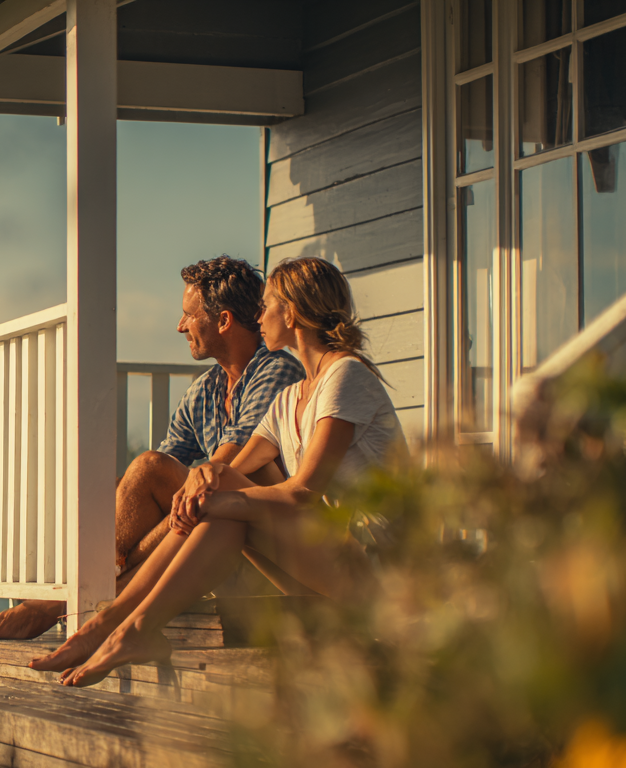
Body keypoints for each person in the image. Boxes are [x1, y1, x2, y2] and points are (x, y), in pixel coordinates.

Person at [29, 256, 406, 686]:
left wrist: (212, 498)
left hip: (377, 569)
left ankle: (116, 624)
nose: (258, 315)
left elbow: (302, 491)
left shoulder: (346, 376)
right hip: (324, 557)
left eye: (266, 306)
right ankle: (124, 627)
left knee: (223, 503)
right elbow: (226, 470)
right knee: (219, 491)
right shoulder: (292, 397)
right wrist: (204, 486)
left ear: (294, 312)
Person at [0, 256, 305, 642]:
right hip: (214, 528)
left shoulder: (276, 370)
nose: (180, 326)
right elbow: (161, 472)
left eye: (188, 316)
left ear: (224, 321)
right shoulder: (207, 389)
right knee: (121, 484)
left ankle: (58, 604)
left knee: (148, 470)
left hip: (260, 545)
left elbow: (225, 467)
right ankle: (82, 601)